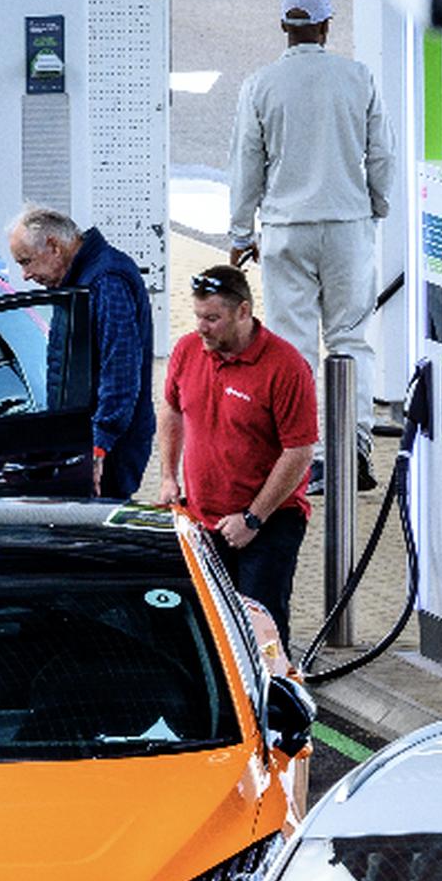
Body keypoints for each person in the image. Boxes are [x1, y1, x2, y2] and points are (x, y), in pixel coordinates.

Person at [225, 0, 396, 492]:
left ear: (284, 28)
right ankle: (356, 447)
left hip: (284, 230)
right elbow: (381, 155)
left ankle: (310, 457)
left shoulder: (260, 84)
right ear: (326, 28)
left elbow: (246, 164)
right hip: (347, 225)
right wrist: (375, 207)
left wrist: (239, 233)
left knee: (294, 347)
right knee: (350, 340)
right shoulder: (357, 78)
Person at [160, 265, 316, 651]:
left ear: (243, 311)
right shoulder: (187, 351)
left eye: (212, 318)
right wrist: (168, 476)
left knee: (259, 629)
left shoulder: (286, 367)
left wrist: (253, 517)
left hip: (268, 522)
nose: (202, 327)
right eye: (198, 316)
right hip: (203, 518)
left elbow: (298, 451)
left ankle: (271, 701)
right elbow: (171, 410)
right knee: (207, 629)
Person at [8, 205, 155, 499]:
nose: (24, 275)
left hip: (106, 449)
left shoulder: (106, 281)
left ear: (53, 247)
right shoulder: (77, 281)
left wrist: (99, 444)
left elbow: (121, 371)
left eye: (27, 262)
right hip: (83, 439)